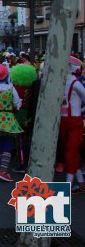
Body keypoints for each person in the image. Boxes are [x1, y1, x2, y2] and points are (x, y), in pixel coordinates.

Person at [59, 56, 85, 193]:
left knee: (70, 152)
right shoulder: (59, 83)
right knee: (69, 152)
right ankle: (81, 183)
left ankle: (68, 186)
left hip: (75, 121)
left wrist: (79, 111)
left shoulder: (75, 84)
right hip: (63, 121)